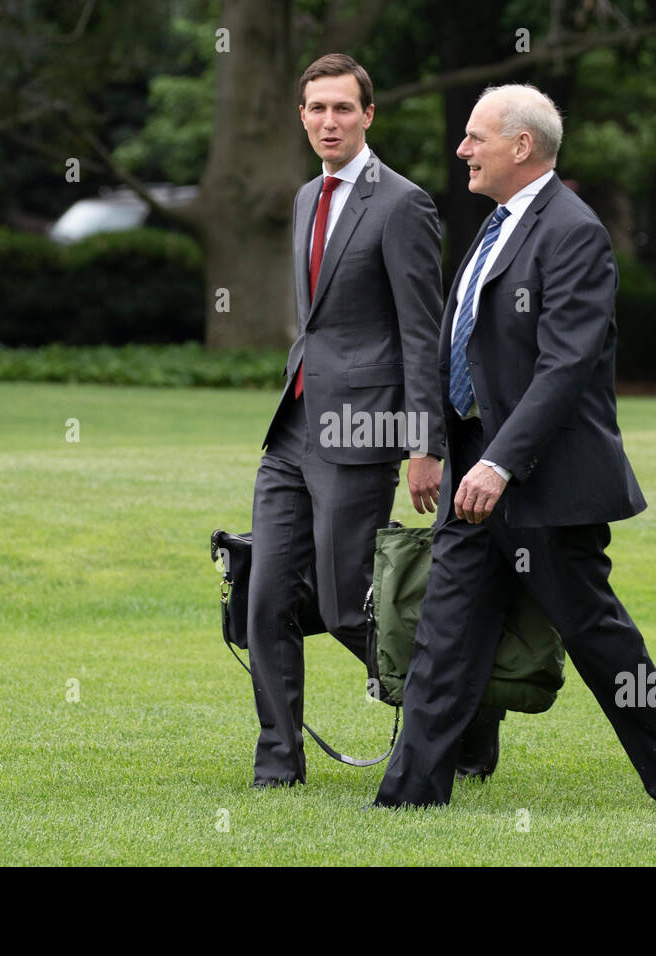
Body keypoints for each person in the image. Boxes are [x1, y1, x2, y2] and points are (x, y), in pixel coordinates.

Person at [371, 84, 656, 810]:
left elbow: (566, 367)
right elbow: (459, 347)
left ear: (522, 146)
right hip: (476, 467)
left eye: (476, 137)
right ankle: (408, 798)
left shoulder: (573, 231)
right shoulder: (498, 223)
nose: (462, 149)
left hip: (543, 481)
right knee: (445, 632)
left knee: (597, 637)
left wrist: (502, 462)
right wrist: (438, 444)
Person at [245, 54, 455, 788]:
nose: (327, 121)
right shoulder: (306, 197)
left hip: (363, 432)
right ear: (301, 116)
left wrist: (424, 444)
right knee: (264, 598)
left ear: (369, 115)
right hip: (292, 426)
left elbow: (422, 334)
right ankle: (278, 764)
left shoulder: (402, 203)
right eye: (315, 109)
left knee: (343, 607)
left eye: (342, 108)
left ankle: (456, 714)